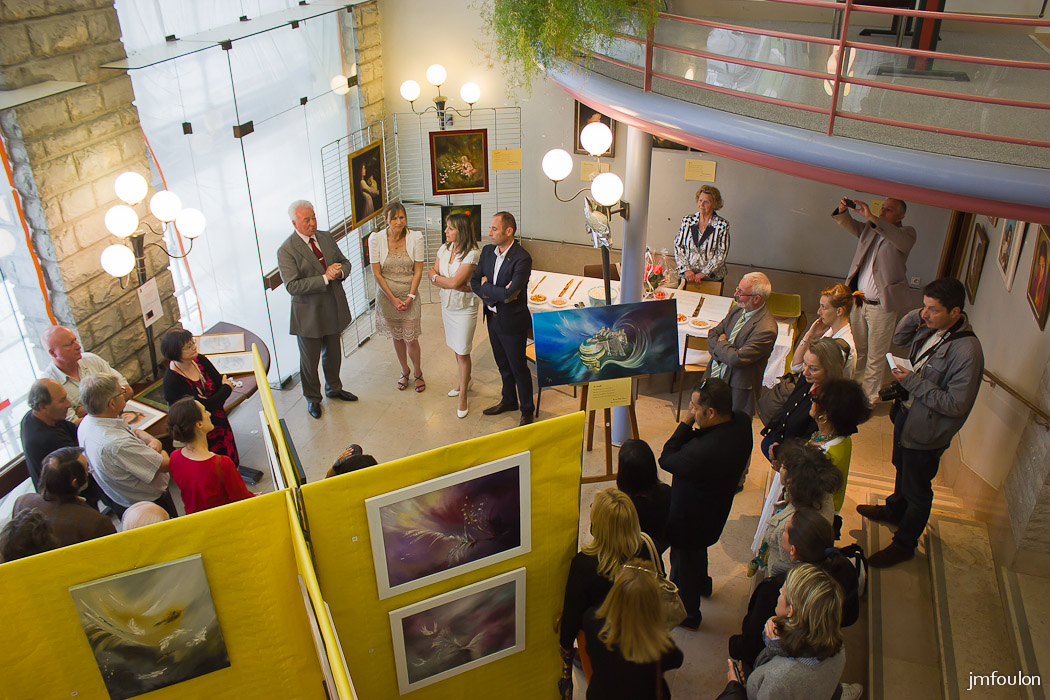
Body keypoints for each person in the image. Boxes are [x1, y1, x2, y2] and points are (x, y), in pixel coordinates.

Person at [859, 278, 983, 568]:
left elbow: (956, 404)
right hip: (907, 415)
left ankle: (904, 544)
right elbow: (900, 338)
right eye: (924, 307)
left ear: (956, 313)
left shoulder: (968, 352)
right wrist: (920, 314)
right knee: (900, 467)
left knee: (918, 489)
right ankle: (893, 510)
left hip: (927, 431)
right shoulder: (932, 327)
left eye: (933, 309)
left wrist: (912, 382)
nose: (925, 315)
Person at [659, 378, 752, 630]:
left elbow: (666, 458)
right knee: (698, 553)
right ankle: (702, 584)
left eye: (694, 408)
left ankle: (688, 614)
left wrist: (686, 423)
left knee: (683, 566)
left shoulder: (699, 452)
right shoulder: (742, 422)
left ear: (711, 413)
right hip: (716, 508)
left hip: (688, 519)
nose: (691, 411)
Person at [730, 508, 860, 670]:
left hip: (781, 662)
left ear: (793, 550)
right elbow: (851, 616)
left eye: (784, 530)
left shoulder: (779, 589)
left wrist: (735, 646)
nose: (781, 532)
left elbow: (752, 641)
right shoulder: (844, 566)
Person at [716, 563, 849, 700]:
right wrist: (776, 638)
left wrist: (735, 689)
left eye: (782, 592)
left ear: (790, 611)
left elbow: (780, 680)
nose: (779, 592)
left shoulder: (779, 679)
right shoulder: (838, 647)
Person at [832, 196, 916, 405]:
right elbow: (850, 224)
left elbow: (901, 240)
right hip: (859, 301)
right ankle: (854, 393)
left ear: (900, 215)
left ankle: (867, 400)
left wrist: (873, 218)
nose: (883, 211)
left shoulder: (906, 234)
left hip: (882, 306)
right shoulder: (870, 229)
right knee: (858, 350)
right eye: (883, 208)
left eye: (889, 209)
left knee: (875, 356)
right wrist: (844, 211)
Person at [277, 199, 357, 420]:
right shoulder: (286, 250)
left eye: (314, 218)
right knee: (309, 362)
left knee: (333, 355)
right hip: (308, 315)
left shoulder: (325, 237)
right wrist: (324, 277)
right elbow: (292, 286)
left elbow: (345, 262)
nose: (312, 223)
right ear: (295, 223)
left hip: (332, 307)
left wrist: (340, 272)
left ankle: (334, 388)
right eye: (307, 220)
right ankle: (313, 399)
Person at [559, 489, 642, 694]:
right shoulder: (644, 551)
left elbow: (572, 612)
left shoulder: (585, 565)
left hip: (599, 645)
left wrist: (566, 646)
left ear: (599, 527)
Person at [581, 559, 685, 700]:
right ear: (652, 604)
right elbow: (677, 660)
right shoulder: (661, 647)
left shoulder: (591, 621)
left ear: (615, 593)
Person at [77, 373, 176, 518]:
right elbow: (165, 464)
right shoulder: (117, 444)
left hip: (120, 497)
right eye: (121, 392)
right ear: (112, 403)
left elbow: (135, 431)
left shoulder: (88, 422)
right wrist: (159, 445)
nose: (125, 394)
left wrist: (151, 440)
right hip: (147, 503)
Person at [471, 212, 535, 426]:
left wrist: (488, 287)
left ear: (509, 231)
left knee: (518, 366)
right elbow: (474, 282)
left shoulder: (522, 258)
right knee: (502, 364)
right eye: (490, 228)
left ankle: (527, 409)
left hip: (512, 322)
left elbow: (511, 294)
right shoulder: (488, 251)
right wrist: (494, 290)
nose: (489, 233)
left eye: (494, 229)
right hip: (492, 318)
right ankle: (509, 400)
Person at [758, 441, 842, 579]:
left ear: (792, 481)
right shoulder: (820, 490)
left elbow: (786, 565)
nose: (779, 467)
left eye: (783, 466)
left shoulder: (791, 527)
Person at [161, 328, 241, 469]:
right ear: (175, 351)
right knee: (212, 466)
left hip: (219, 420)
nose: (194, 347)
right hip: (198, 430)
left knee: (229, 459)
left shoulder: (199, 360)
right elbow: (206, 405)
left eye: (193, 342)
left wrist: (217, 395)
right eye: (188, 346)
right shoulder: (172, 380)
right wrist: (225, 389)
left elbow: (219, 383)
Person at [761, 337, 847, 463]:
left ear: (830, 370)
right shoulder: (807, 379)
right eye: (805, 364)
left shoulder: (830, 402)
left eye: (814, 368)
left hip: (795, 460)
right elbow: (788, 409)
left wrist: (779, 453)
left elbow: (810, 443)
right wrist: (778, 441)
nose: (805, 371)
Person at [370, 201, 426, 392]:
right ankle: (404, 370)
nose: (399, 221)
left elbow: (418, 270)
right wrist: (393, 299)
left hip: (409, 296)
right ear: (386, 219)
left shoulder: (416, 238)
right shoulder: (376, 239)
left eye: (401, 217)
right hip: (388, 298)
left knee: (411, 338)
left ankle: (418, 372)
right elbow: (377, 273)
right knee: (398, 337)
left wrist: (410, 297)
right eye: (394, 218)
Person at [704, 272, 778, 417]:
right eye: (737, 288)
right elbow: (713, 334)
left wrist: (722, 342)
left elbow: (736, 359)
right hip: (713, 378)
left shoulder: (766, 329)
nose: (735, 294)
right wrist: (726, 349)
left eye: (741, 292)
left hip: (736, 390)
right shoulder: (737, 309)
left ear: (757, 298)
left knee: (730, 432)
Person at [429, 212, 481, 416]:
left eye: (450, 228)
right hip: (448, 305)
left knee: (462, 350)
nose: (445, 231)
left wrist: (440, 279)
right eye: (446, 227)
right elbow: (431, 271)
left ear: (461, 231)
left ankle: (463, 396)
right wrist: (442, 280)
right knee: (455, 347)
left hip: (465, 308)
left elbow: (454, 282)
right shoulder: (444, 248)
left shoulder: (472, 254)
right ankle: (465, 381)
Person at [12, 447, 116, 547]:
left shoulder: (22, 502)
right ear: (75, 483)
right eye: (86, 469)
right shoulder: (97, 523)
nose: (89, 471)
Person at [167, 398, 254, 514]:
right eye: (204, 411)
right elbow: (242, 499)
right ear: (199, 424)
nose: (209, 413)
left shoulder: (175, 457)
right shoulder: (222, 463)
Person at [41, 325, 130, 423]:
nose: (78, 346)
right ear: (53, 353)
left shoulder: (92, 360)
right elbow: (75, 424)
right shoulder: (50, 385)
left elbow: (127, 390)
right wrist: (110, 401)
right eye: (70, 344)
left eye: (75, 340)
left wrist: (85, 409)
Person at [809, 379, 870, 513]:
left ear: (825, 415)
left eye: (815, 398)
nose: (811, 401)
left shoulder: (825, 454)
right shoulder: (841, 437)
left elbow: (806, 492)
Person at [20, 378, 78, 489]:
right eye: (62, 400)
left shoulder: (29, 418)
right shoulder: (49, 440)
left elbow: (72, 429)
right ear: (43, 407)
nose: (69, 404)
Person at [789, 283, 857, 379]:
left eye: (824, 307)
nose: (818, 312)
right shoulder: (831, 332)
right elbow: (795, 366)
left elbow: (799, 368)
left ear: (839, 311)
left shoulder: (840, 347)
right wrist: (809, 336)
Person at [616, 439, 670, 555]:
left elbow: (596, 531)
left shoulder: (621, 507)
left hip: (628, 560)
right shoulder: (667, 492)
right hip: (656, 553)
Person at [674, 185, 730, 286]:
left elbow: (721, 253)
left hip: (712, 278)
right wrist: (686, 269)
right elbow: (678, 245)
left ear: (714, 204)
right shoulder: (687, 221)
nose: (701, 204)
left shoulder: (722, 225)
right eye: (700, 200)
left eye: (706, 202)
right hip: (688, 277)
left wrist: (703, 273)